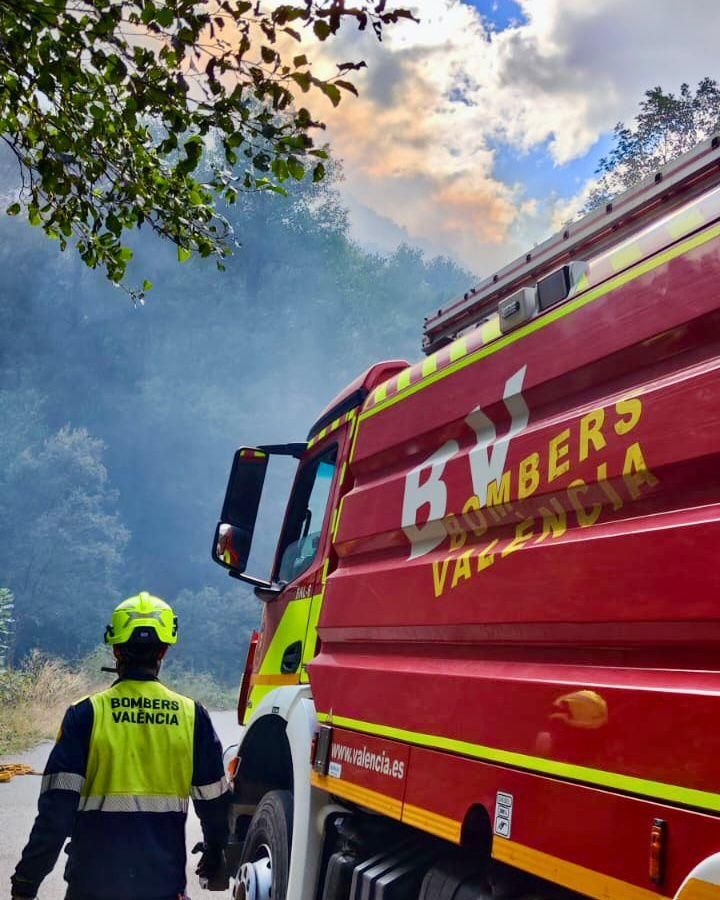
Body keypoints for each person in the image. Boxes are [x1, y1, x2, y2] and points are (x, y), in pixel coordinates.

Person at [11, 592, 230, 900]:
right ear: (164, 651)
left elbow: (55, 816)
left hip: (91, 887)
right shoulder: (192, 716)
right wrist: (215, 851)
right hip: (162, 886)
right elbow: (215, 805)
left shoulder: (85, 715)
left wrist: (26, 882)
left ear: (116, 649)